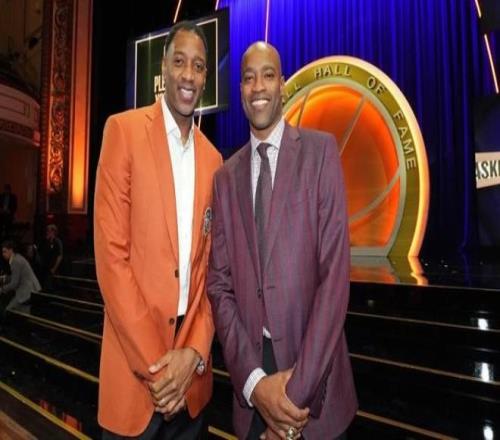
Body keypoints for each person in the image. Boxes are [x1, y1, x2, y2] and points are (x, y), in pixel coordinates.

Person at [207, 42, 358, 440]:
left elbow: (335, 278)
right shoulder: (224, 178)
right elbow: (219, 285)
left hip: (316, 390)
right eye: (248, 77)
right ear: (240, 90)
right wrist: (256, 385)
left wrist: (290, 399)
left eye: (268, 75)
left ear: (284, 85)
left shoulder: (321, 152)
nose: (258, 86)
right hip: (253, 388)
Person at [94, 20, 222, 439]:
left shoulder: (214, 161)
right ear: (162, 67)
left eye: (198, 66)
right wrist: (162, 372)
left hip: (192, 384)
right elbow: (111, 260)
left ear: (205, 78)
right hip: (136, 377)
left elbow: (213, 273)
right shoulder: (123, 131)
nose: (188, 75)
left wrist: (194, 352)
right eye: (179, 61)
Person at [0, 240, 41, 320]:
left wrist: (2, 289)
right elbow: (17, 276)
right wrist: (4, 278)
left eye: (5, 252)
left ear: (11, 250)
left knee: (9, 310)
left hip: (27, 290)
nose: (3, 254)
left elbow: (14, 283)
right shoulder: (17, 257)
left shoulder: (15, 261)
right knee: (22, 313)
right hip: (31, 289)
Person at [39, 224, 63, 290]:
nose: (47, 232)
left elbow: (60, 256)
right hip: (45, 268)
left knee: (52, 286)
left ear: (53, 232)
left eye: (48, 231)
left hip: (53, 268)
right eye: (47, 231)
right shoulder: (46, 241)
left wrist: (54, 268)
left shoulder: (57, 242)